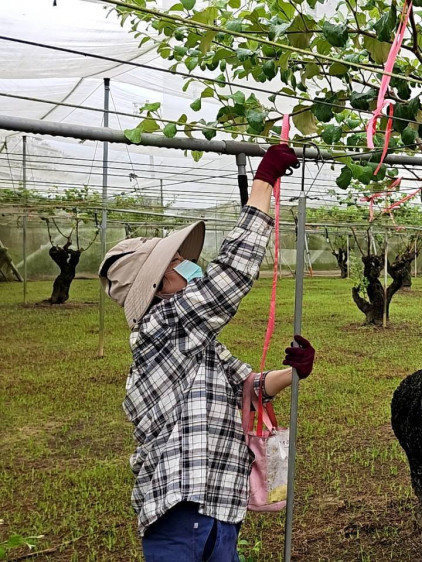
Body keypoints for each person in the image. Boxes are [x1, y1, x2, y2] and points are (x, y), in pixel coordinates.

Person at [99, 145, 315, 561]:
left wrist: (293, 372)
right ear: (160, 286)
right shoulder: (163, 326)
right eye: (178, 261)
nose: (189, 266)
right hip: (180, 508)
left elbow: (246, 386)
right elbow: (229, 277)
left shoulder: (195, 341)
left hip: (219, 503)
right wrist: (263, 184)